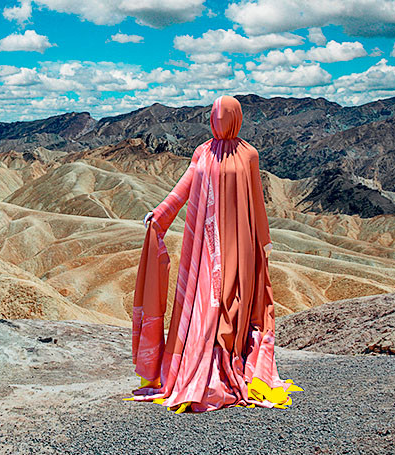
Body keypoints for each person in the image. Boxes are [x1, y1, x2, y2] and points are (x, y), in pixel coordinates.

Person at [127, 95, 303, 414]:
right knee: (208, 305)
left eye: (223, 116)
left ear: (235, 118)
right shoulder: (202, 152)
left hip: (242, 245)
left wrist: (262, 245)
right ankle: (203, 371)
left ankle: (231, 365)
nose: (218, 121)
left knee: (234, 305)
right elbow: (184, 187)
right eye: (214, 116)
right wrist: (160, 215)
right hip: (206, 246)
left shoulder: (250, 154)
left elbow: (256, 200)